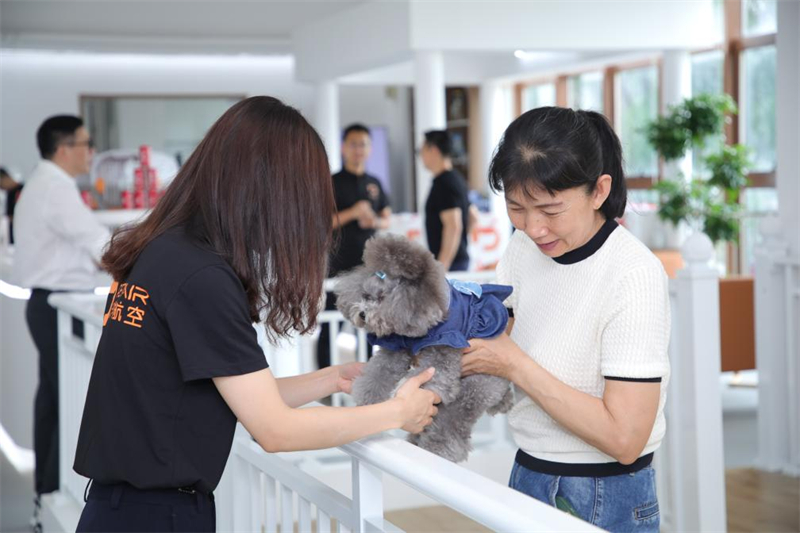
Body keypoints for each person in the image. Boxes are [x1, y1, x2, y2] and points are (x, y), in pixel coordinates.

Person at [72, 97, 439, 532]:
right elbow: (275, 429)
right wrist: (397, 413)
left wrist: (332, 379)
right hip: (155, 516)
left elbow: (235, 394)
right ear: (270, 191)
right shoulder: (201, 276)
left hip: (121, 509)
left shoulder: (165, 251)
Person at [462, 107, 670, 532]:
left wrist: (513, 364)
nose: (533, 227)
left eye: (550, 209)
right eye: (517, 208)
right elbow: (505, 340)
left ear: (599, 191)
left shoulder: (632, 274)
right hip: (528, 473)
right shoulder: (522, 250)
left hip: (604, 494)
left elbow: (625, 439)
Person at [12, 116, 110, 513]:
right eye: (87, 144)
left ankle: (47, 490)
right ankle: (53, 493)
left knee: (53, 397)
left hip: (49, 303)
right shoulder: (55, 188)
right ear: (64, 148)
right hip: (58, 305)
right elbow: (98, 244)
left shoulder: (46, 184)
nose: (91, 153)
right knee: (64, 397)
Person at [317, 123, 390, 369]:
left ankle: (368, 378)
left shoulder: (374, 183)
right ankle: (326, 382)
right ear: (343, 147)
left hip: (368, 267)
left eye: (364, 144)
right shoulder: (332, 182)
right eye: (354, 144)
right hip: (337, 267)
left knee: (369, 323)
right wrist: (352, 213)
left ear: (370, 149)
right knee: (332, 325)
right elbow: (322, 222)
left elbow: (387, 217)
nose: (359, 149)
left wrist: (375, 220)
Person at [420, 130, 471, 272]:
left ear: (434, 150)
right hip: (457, 260)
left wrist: (441, 267)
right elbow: (473, 216)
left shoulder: (444, 182)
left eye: (422, 150)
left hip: (451, 265)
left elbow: (453, 226)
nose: (421, 156)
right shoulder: (456, 178)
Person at [0, 167, 23, 243]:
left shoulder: (23, 190)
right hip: (12, 238)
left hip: (22, 234)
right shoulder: (9, 194)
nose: (2, 188)